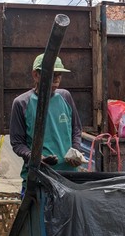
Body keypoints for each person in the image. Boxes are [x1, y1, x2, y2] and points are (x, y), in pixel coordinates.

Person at [10, 53, 83, 195]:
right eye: (52, 74)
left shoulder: (65, 97)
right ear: (36, 75)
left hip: (68, 177)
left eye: (59, 75)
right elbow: (17, 143)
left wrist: (75, 151)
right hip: (38, 179)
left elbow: (76, 129)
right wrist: (36, 157)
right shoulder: (22, 103)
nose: (56, 79)